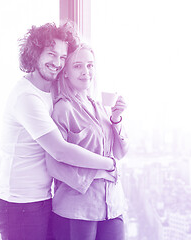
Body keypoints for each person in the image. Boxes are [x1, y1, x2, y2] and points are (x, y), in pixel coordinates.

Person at [0, 22, 117, 240]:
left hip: (39, 199)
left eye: (62, 57)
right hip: (19, 204)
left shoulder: (49, 91)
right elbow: (60, 151)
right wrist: (109, 164)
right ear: (34, 54)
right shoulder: (27, 97)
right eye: (51, 54)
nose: (57, 63)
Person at [46, 43, 129, 240]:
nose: (86, 72)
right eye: (78, 66)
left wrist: (116, 118)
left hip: (112, 205)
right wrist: (102, 171)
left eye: (90, 65)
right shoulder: (63, 109)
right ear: (65, 72)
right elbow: (54, 165)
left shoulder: (100, 107)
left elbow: (119, 153)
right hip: (77, 209)